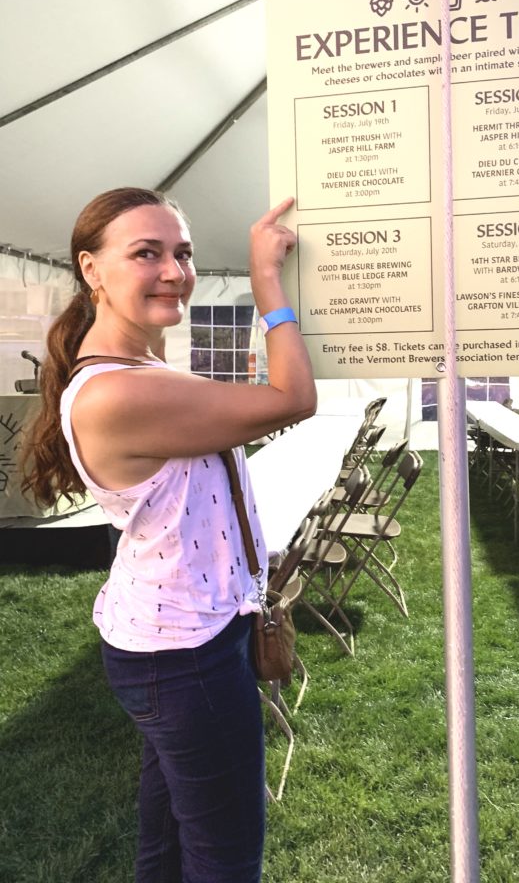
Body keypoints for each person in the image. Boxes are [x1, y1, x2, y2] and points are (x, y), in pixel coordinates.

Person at [21, 187, 316, 883]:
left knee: (169, 843)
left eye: (181, 254)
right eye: (146, 253)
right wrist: (266, 280)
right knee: (225, 857)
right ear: (91, 270)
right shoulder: (119, 394)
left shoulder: (136, 372)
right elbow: (292, 398)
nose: (174, 271)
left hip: (173, 638)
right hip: (186, 654)